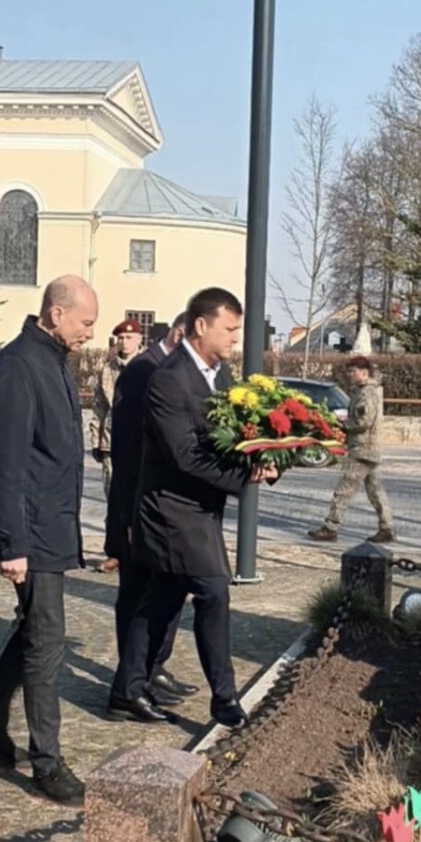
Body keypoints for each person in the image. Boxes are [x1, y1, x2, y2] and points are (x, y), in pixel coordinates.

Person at [110, 286, 277, 730]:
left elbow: (233, 434)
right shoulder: (168, 378)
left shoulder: (218, 375)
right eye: (230, 329)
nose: (235, 339)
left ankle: (126, 690)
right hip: (170, 511)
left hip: (199, 509)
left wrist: (267, 453)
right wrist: (245, 479)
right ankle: (225, 699)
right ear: (201, 326)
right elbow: (183, 454)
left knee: (161, 601)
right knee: (213, 591)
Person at [0, 276, 97, 803]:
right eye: (86, 322)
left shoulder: (53, 358)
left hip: (51, 525)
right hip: (31, 531)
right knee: (46, 643)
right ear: (57, 313)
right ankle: (47, 763)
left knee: (32, 635)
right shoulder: (20, 364)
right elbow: (5, 462)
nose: (92, 331)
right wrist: (12, 542)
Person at [103, 313, 195, 711]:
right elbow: (127, 455)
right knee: (138, 595)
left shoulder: (175, 370)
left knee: (168, 590)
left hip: (167, 509)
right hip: (138, 508)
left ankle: (153, 666)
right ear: (181, 335)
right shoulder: (142, 373)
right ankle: (132, 677)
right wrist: (127, 517)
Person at [308, 354, 396, 543]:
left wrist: (343, 424)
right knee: (375, 491)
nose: (350, 374)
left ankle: (331, 527)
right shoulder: (364, 391)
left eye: (353, 371)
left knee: (344, 489)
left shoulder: (367, 393)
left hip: (362, 448)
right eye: (349, 371)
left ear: (364, 373)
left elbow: (363, 421)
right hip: (367, 449)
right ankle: (387, 528)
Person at [92, 318, 145, 509]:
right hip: (111, 439)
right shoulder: (108, 369)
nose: (124, 341)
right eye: (120, 338)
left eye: (129, 337)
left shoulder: (148, 365)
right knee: (113, 494)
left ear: (139, 339)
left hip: (140, 440)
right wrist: (96, 441)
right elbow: (99, 406)